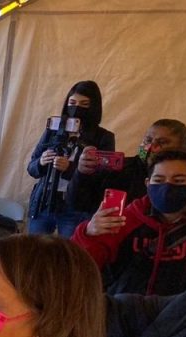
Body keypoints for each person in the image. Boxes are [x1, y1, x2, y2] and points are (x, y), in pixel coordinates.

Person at [72, 149, 186, 296]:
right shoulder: (125, 220)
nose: (167, 187)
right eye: (159, 180)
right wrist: (88, 234)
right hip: (126, 313)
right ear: (147, 183)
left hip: (180, 315)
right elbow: (79, 267)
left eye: (179, 181)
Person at [26, 80, 116, 237]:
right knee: (35, 253)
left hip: (76, 206)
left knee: (70, 254)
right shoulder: (53, 129)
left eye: (84, 104)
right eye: (72, 102)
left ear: (93, 106)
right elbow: (31, 167)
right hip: (43, 200)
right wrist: (41, 162)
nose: (76, 108)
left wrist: (71, 168)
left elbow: (104, 177)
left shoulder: (103, 137)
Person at [71, 118, 186, 206]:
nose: (151, 147)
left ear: (182, 148)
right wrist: (81, 174)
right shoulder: (121, 168)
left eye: (162, 142)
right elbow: (78, 203)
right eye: (148, 140)